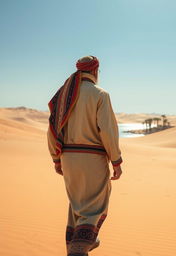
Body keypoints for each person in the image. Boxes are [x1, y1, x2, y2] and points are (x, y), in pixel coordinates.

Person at [47, 55, 123, 256]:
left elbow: (51, 130)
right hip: (92, 158)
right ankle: (80, 247)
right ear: (95, 71)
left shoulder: (63, 95)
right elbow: (107, 131)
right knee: (93, 208)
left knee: (77, 205)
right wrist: (116, 160)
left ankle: (76, 245)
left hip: (68, 158)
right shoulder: (100, 94)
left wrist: (56, 158)